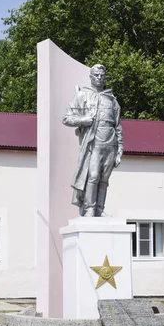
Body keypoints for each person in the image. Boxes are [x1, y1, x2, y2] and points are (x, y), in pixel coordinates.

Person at [62, 64, 124, 217]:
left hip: (110, 144)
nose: (99, 78)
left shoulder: (112, 99)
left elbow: (118, 126)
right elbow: (66, 118)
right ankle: (90, 208)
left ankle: (100, 209)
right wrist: (83, 120)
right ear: (90, 77)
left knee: (104, 179)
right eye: (96, 75)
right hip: (93, 143)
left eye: (102, 75)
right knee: (94, 176)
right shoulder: (82, 95)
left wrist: (120, 148)